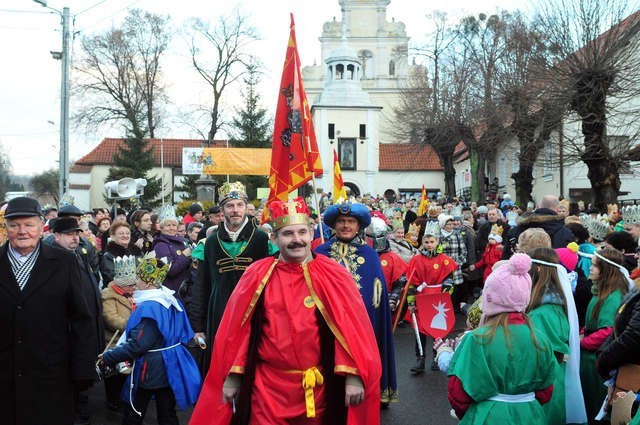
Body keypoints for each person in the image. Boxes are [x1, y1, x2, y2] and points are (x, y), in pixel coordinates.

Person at [190, 197, 382, 425]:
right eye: (288, 234)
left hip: (318, 388)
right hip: (266, 389)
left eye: (302, 232)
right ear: (274, 238)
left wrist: (353, 376)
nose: (297, 240)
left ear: (312, 233)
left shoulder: (334, 274)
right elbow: (240, 333)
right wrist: (232, 377)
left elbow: (351, 332)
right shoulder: (257, 275)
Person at [0, 197, 97, 425]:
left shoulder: (65, 262)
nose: (22, 231)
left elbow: (82, 318)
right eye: (14, 225)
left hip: (52, 377)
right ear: (6, 228)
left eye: (29, 225)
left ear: (41, 226)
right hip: (4, 379)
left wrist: (83, 371)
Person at [447, 253, 557, 423]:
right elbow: (546, 390)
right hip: (530, 416)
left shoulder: (477, 339)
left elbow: (458, 392)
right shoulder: (540, 338)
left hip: (487, 416)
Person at [99, 253, 201, 425]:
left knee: (135, 411)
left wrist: (109, 356)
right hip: (170, 363)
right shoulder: (168, 299)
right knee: (167, 412)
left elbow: (139, 344)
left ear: (146, 283)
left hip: (152, 368)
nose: (135, 282)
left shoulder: (150, 307)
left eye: (138, 278)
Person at [315, 202, 398, 405]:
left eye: (351, 221)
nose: (345, 225)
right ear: (333, 225)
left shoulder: (369, 255)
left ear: (358, 226)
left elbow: (377, 293)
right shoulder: (319, 252)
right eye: (341, 221)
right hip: (328, 322)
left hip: (363, 323)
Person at [190, 182, 270, 375]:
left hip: (255, 313)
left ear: (245, 207)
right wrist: (198, 326)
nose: (235, 210)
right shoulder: (209, 242)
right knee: (221, 366)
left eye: (239, 205)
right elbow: (201, 286)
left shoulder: (262, 239)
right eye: (230, 206)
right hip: (219, 313)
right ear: (222, 210)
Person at [51, 217, 105, 425]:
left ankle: (80, 409)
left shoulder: (78, 254)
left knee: (81, 374)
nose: (75, 238)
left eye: (76, 233)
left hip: (86, 324)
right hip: (68, 330)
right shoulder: (55, 259)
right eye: (69, 234)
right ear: (56, 236)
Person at [527, 248, 586, 424]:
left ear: (537, 269)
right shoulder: (555, 305)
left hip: (545, 383)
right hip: (553, 380)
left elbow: (540, 353)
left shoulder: (542, 313)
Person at [581, 247, 629, 423]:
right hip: (590, 357)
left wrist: (582, 342)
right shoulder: (602, 291)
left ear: (607, 270)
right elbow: (593, 323)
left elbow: (607, 331)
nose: (590, 268)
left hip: (596, 360)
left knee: (594, 407)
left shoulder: (613, 296)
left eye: (595, 265)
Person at [406, 221, 458, 373]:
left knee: (438, 329)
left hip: (438, 298)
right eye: (426, 242)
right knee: (421, 331)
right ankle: (420, 359)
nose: (429, 244)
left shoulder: (444, 260)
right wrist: (411, 301)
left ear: (437, 242)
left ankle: (437, 357)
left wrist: (447, 293)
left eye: (432, 241)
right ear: (422, 242)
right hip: (422, 298)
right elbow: (412, 283)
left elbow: (449, 279)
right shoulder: (416, 260)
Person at [596, 273, 640, 425]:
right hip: (623, 376)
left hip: (633, 379)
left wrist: (604, 360)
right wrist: (604, 351)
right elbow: (619, 328)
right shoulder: (637, 287)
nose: (637, 255)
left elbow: (632, 336)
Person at [101, 255, 137, 411]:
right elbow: (110, 318)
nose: (134, 287)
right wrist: (133, 326)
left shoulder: (132, 295)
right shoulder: (108, 296)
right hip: (114, 341)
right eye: (130, 285)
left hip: (129, 340)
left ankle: (123, 398)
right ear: (122, 285)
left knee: (127, 374)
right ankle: (113, 400)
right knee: (113, 375)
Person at [152, 216, 192, 293]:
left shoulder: (182, 241)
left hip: (186, 288)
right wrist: (185, 255)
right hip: (173, 290)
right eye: (168, 225)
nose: (171, 228)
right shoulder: (160, 245)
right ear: (161, 228)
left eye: (174, 225)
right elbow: (170, 271)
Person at [101, 221, 136, 288]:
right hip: (117, 293)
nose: (125, 236)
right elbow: (112, 277)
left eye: (128, 233)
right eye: (121, 233)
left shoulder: (136, 252)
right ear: (112, 237)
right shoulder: (108, 256)